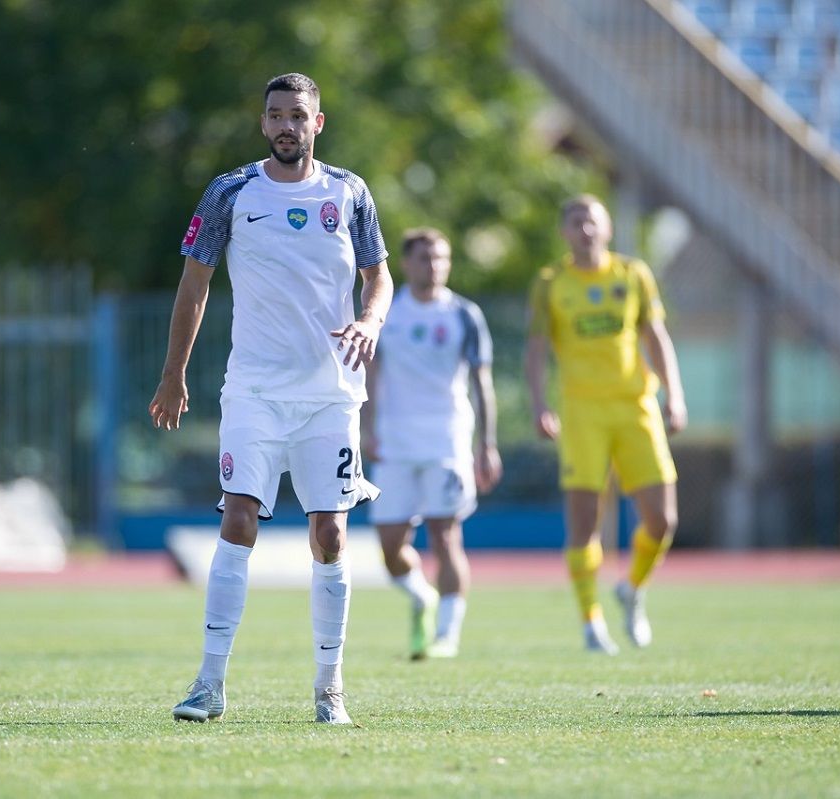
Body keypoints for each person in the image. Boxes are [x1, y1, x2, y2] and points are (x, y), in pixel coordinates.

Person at [149, 72, 393, 723]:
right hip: (254, 390)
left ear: (318, 122)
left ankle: (329, 687)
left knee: (331, 533)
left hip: (330, 397)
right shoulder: (231, 190)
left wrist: (369, 322)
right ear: (263, 124)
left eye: (298, 115)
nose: (287, 125)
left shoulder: (349, 191)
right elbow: (193, 283)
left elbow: (379, 276)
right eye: (276, 114)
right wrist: (174, 373)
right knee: (237, 517)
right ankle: (208, 683)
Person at [523, 194, 687, 655]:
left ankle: (633, 589)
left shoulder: (633, 274)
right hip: (581, 412)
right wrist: (539, 404)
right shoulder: (551, 282)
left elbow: (656, 335)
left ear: (608, 228)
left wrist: (674, 395)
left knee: (662, 519)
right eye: (575, 222)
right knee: (585, 523)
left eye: (592, 222)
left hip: (637, 406)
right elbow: (536, 348)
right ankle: (591, 621)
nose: (585, 230)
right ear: (564, 231)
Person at [361, 228, 502, 660]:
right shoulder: (389, 312)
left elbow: (482, 381)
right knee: (390, 547)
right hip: (395, 442)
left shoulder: (463, 314)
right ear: (406, 264)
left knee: (446, 535)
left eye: (441, 258)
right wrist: (365, 429)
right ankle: (423, 596)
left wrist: (487, 444)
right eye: (425, 258)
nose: (434, 266)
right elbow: (369, 371)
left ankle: (446, 635)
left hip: (448, 439)